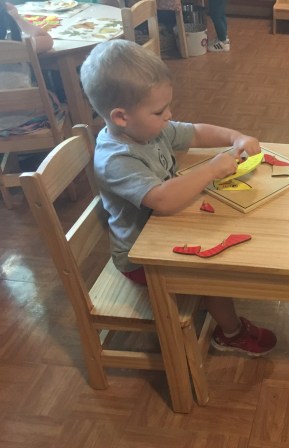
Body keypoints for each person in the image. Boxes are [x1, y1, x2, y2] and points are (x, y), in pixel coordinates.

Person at [79, 40, 276, 356]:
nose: (169, 116)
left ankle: (216, 308)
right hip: (140, 258)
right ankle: (231, 333)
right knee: (210, 271)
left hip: (164, 232)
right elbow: (162, 200)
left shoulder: (149, 129)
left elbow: (195, 132)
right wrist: (211, 169)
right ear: (121, 117)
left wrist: (234, 137)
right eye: (160, 111)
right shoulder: (116, 159)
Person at [0, 0, 59, 136]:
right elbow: (47, 39)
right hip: (27, 120)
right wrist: (17, 18)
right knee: (56, 95)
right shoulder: (18, 43)